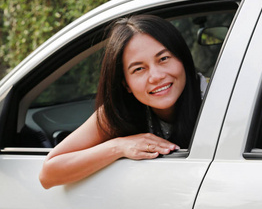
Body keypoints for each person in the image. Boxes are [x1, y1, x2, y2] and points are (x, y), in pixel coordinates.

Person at [39, 14, 205, 189]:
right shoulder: (120, 112)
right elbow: (48, 174)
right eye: (139, 69)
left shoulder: (216, 100)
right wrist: (119, 146)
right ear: (126, 84)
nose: (156, 76)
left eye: (163, 59)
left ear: (183, 60)